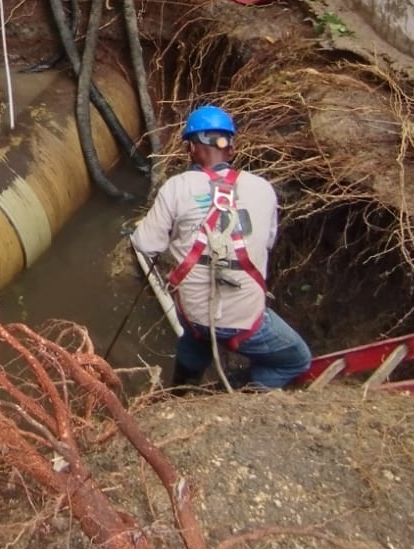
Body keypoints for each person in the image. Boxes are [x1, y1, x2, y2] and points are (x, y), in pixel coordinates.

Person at [129, 105, 311, 390]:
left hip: (194, 314)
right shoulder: (263, 188)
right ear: (232, 148)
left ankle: (183, 391)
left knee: (196, 331)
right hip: (244, 321)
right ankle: (242, 392)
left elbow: (143, 243)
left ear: (192, 148)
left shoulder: (177, 187)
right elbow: (268, 242)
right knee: (295, 360)